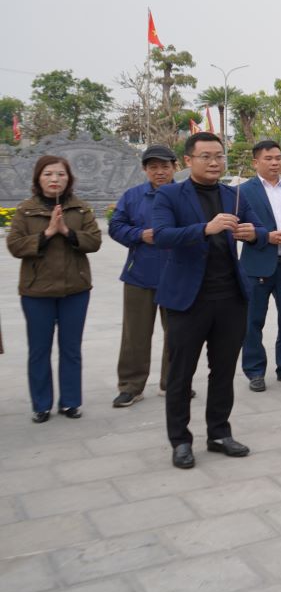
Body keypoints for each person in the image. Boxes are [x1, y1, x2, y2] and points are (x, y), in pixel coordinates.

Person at [152, 132, 266, 468]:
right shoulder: (170, 195)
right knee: (181, 373)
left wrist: (253, 233)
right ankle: (180, 440)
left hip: (230, 296)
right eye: (206, 156)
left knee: (223, 370)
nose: (215, 162)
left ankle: (219, 433)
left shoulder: (233, 195)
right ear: (188, 161)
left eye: (219, 155)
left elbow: (258, 229)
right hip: (188, 299)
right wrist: (206, 228)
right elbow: (160, 236)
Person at [7, 155, 102, 423]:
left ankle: (70, 402)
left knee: (71, 348)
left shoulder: (80, 209)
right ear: (38, 178)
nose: (54, 179)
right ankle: (41, 404)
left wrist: (68, 232)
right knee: (39, 349)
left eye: (60, 174)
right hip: (37, 292)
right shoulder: (26, 210)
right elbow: (15, 246)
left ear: (69, 178)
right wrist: (48, 233)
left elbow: (94, 241)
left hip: (75, 290)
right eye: (48, 174)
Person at [239, 140, 281, 392]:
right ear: (255, 162)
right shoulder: (243, 191)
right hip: (256, 265)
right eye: (268, 158)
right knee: (252, 321)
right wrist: (264, 236)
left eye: (278, 158)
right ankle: (255, 371)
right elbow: (236, 228)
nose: (275, 162)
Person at [109, 145, 176, 408]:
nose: (159, 172)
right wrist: (139, 235)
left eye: (164, 166)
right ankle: (131, 386)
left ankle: (172, 383)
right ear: (145, 170)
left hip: (177, 273)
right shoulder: (133, 196)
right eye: (153, 167)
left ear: (174, 167)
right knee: (134, 335)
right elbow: (116, 226)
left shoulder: (185, 195)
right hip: (140, 273)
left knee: (177, 334)